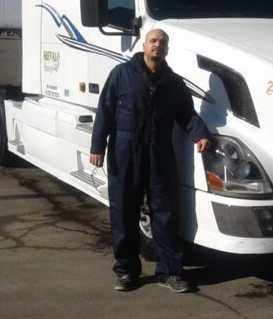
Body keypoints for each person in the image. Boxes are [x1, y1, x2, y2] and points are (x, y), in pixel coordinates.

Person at [89, 28, 211, 293]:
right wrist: (97, 145)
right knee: (123, 213)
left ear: (167, 49)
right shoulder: (121, 74)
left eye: (162, 42)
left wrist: (200, 134)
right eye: (153, 41)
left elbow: (186, 114)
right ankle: (126, 272)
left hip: (159, 154)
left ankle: (170, 272)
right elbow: (105, 111)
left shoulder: (173, 82)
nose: (157, 45)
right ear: (144, 45)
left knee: (165, 214)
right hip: (124, 152)